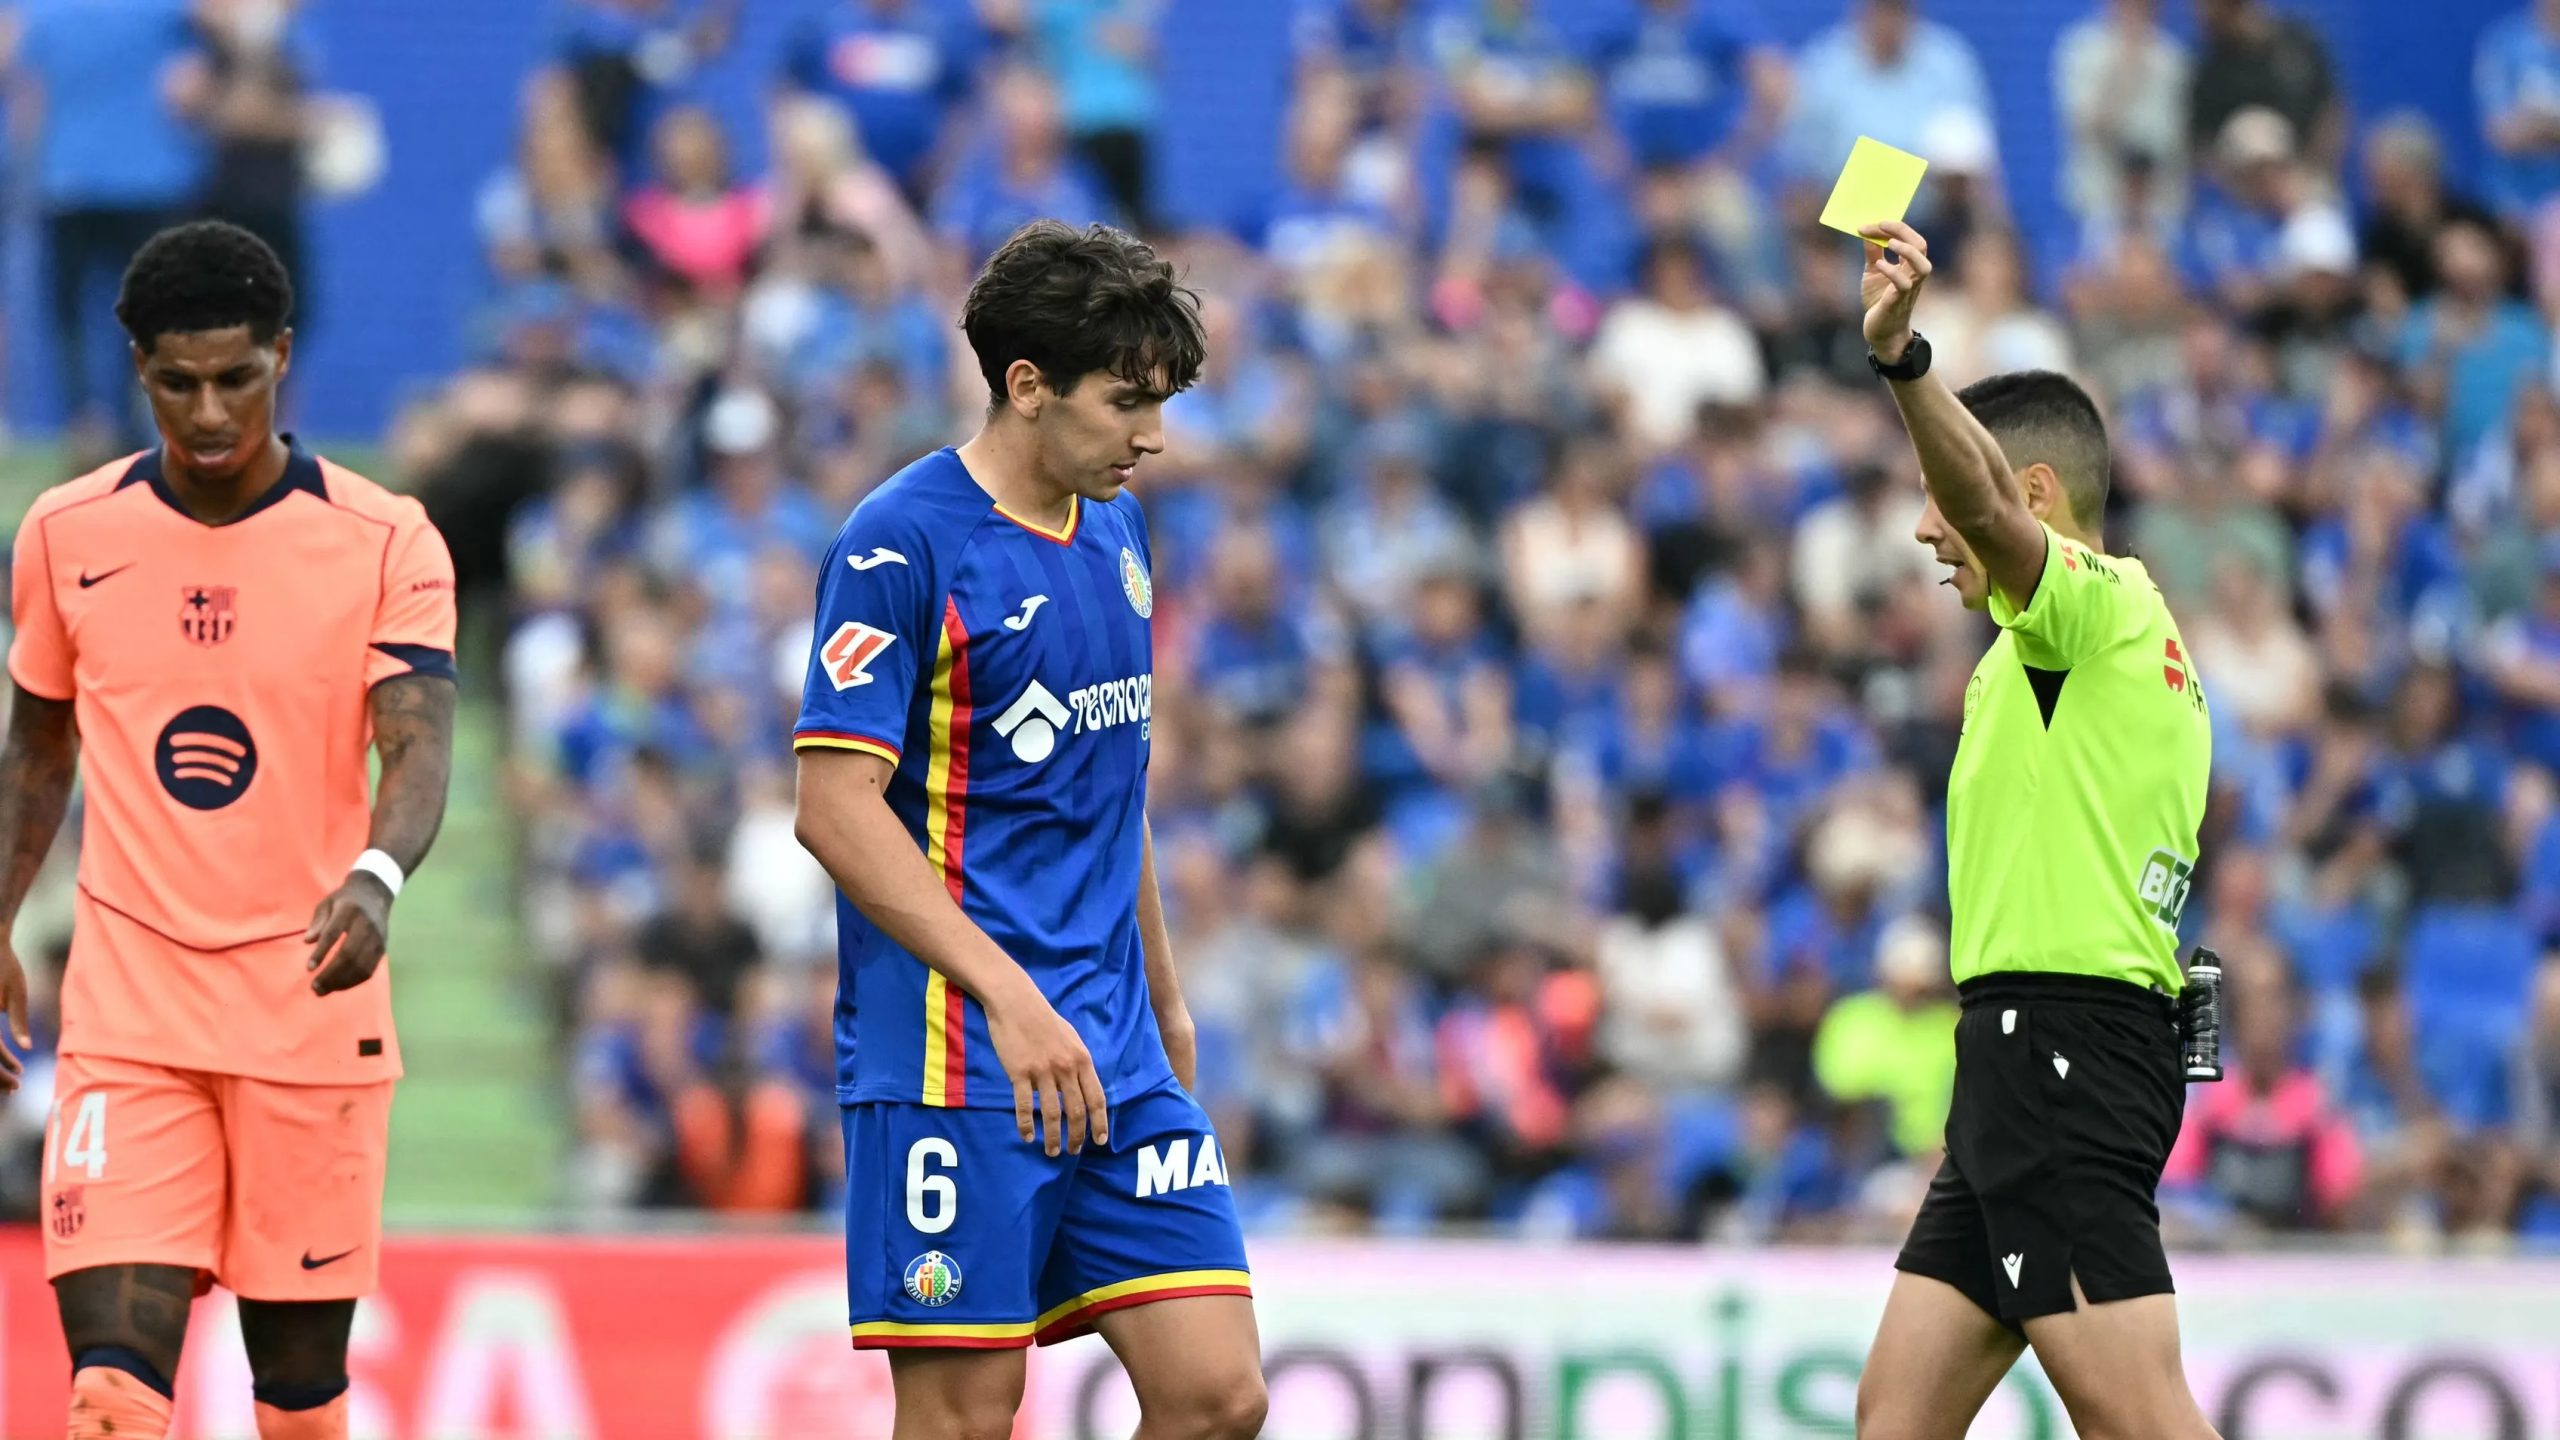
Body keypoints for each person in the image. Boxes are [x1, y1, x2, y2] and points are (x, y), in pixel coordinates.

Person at [790, 219, 1265, 1440]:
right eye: (1126, 403)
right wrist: (1009, 998)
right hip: (956, 1058)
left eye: (1161, 405)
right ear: (1027, 385)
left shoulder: (1115, 528)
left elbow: (1112, 788)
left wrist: (1164, 999)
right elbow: (833, 811)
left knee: (1217, 1398)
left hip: (1115, 1048)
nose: (1152, 438)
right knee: (965, 1415)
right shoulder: (901, 543)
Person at [0, 221, 458, 1440]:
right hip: (130, 1019)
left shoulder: (386, 539)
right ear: (138, 368)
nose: (208, 413)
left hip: (308, 1011)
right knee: (108, 1400)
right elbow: (37, 748)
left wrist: (376, 874)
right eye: (177, 382)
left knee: (297, 1409)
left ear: (283, 357)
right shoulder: (66, 534)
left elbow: (418, 744)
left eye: (237, 379)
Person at [1846, 217, 2220, 1440]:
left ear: (2033, 495)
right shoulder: (2065, 651)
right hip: (2021, 1061)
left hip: (2064, 1049)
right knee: (1894, 1422)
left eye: (1937, 498)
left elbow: (1990, 516)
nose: (1924, 529)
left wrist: (1904, 362)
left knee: (2137, 1421)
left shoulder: (2089, 614)